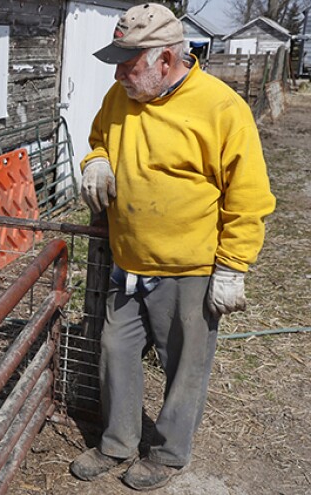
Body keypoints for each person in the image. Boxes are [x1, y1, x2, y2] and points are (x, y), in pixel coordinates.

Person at [69, 3, 276, 491]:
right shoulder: (120, 96)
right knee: (115, 351)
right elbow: (99, 139)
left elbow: (248, 197)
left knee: (184, 366)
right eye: (118, 61)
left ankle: (167, 454)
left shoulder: (221, 107)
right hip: (130, 261)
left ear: (166, 60)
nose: (120, 73)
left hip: (190, 268)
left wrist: (232, 267)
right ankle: (117, 443)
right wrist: (95, 163)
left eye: (130, 62)